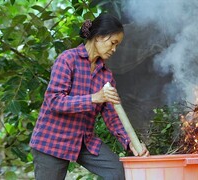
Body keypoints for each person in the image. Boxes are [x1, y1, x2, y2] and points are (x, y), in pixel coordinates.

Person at [29, 13, 149, 180]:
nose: (114, 49)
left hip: (83, 140)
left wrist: (130, 142)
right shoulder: (67, 59)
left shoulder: (106, 75)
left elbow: (113, 116)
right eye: (113, 43)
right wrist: (94, 98)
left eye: (117, 45)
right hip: (52, 141)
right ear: (99, 37)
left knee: (118, 172)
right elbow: (54, 101)